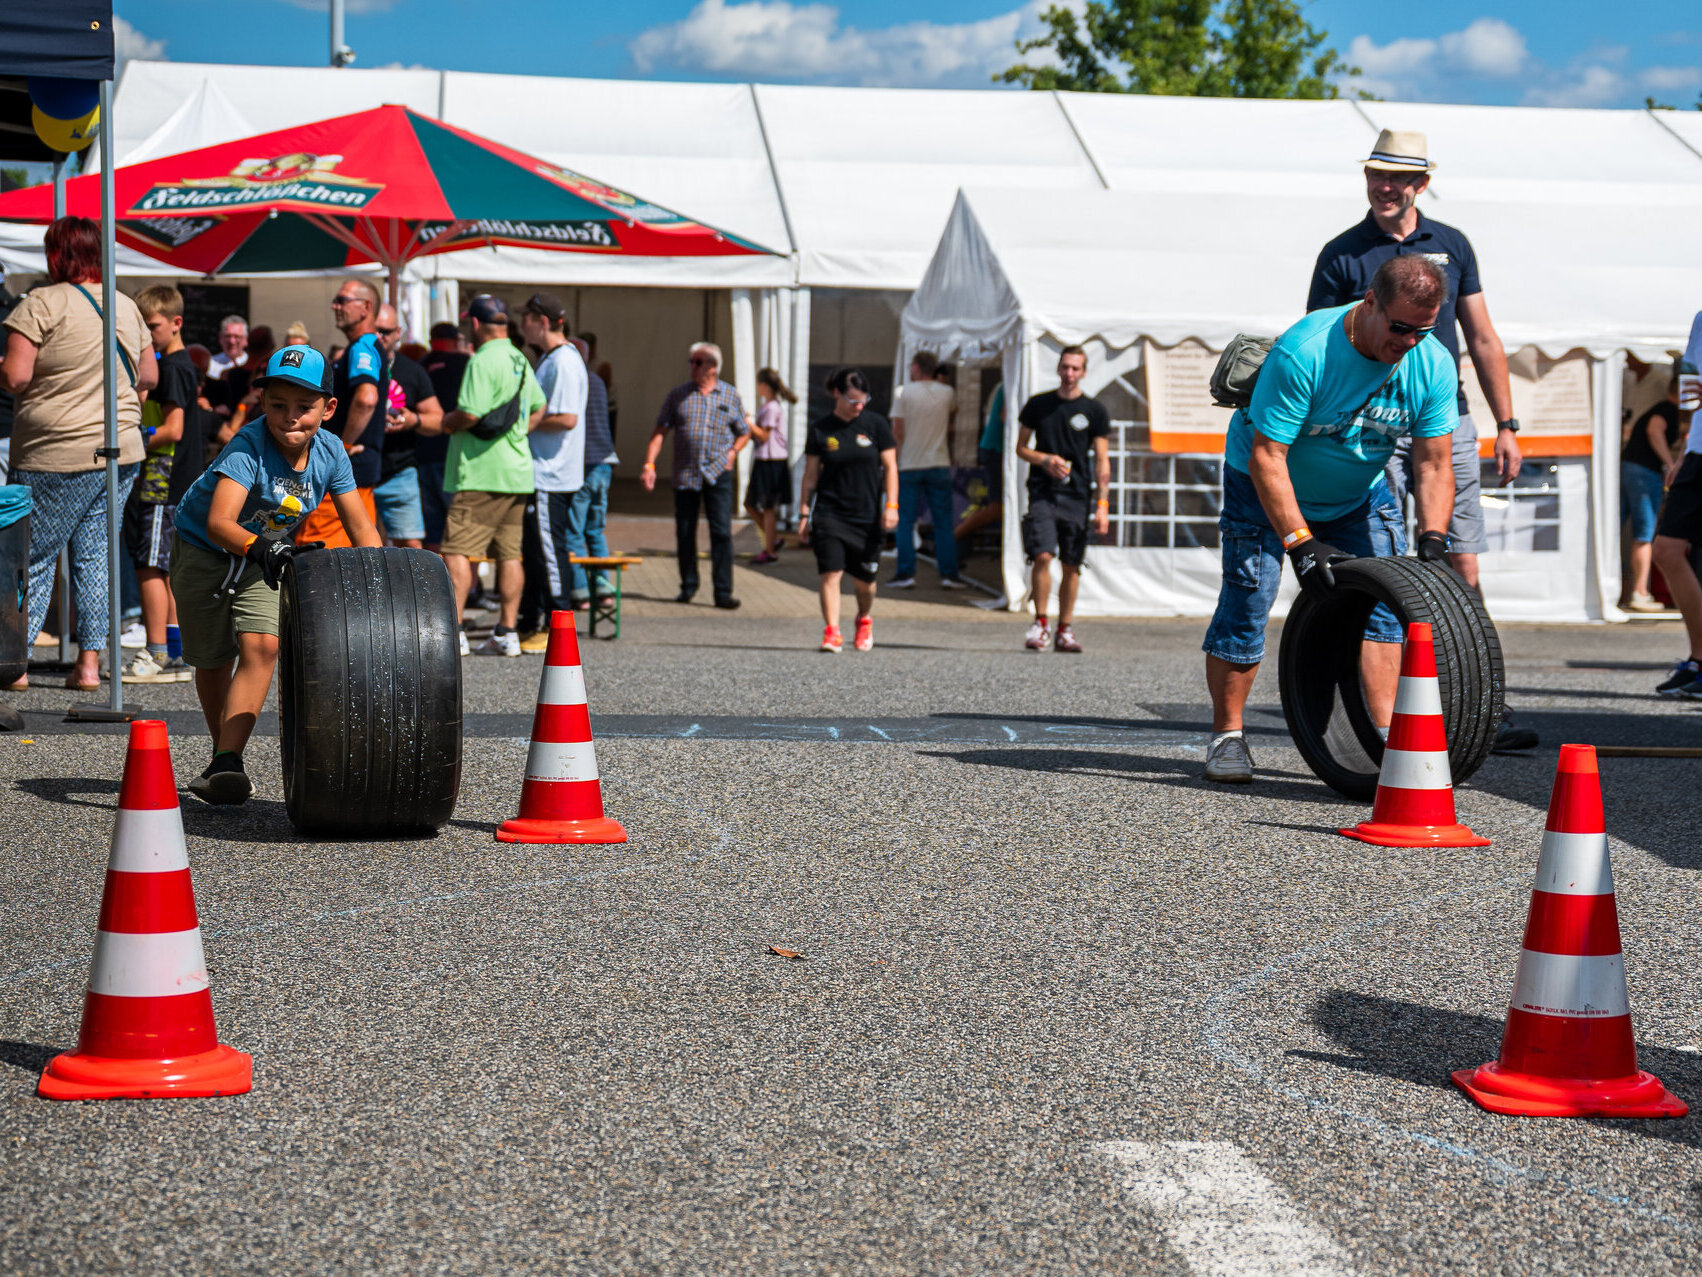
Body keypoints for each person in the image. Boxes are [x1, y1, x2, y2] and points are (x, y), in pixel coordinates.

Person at [1309, 128, 1536, 754]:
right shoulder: (1341, 252)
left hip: (1445, 416)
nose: (1385, 187)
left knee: (1458, 557)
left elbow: (1483, 338)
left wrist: (1506, 426)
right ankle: (1369, 709)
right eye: (1376, 175)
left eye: (1398, 178)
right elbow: (1317, 337)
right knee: (1375, 561)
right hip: (1366, 423)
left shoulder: (1452, 244)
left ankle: (1480, 698)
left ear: (1421, 184)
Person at [1203, 256, 1457, 783]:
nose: (1409, 341)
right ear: (1369, 303)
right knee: (1249, 600)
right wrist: (1299, 541)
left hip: (1357, 495)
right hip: (1261, 485)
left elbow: (1433, 462)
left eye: (1422, 330)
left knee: (1390, 607)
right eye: (1400, 327)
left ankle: (1383, 740)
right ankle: (1227, 737)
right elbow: (1267, 456)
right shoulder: (1305, 352)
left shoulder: (1431, 363)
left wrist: (1434, 535)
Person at [170, 345, 380, 804]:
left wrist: (382, 577)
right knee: (212, 660)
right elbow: (219, 522)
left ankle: (227, 760)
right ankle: (223, 755)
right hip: (204, 552)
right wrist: (264, 548)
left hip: (262, 560)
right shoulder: (248, 446)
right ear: (262, 402)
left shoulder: (331, 451)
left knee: (263, 645)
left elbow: (360, 524)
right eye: (278, 405)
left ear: (328, 409)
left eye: (304, 408)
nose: (290, 418)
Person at [1, 216, 154, 691]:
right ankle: (89, 665)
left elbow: (16, 378)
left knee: (36, 555)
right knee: (96, 556)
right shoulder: (126, 305)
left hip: (54, 450)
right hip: (120, 450)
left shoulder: (40, 303)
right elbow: (148, 376)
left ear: (56, 254)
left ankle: (17, 663)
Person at [440, 294, 544, 657]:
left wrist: (446, 423)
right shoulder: (519, 357)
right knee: (510, 555)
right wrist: (516, 435)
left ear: (476, 324)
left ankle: (455, 633)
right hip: (517, 472)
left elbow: (468, 413)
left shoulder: (482, 360)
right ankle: (507, 631)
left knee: (456, 552)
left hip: (480, 474)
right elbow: (539, 407)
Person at [123, 284, 205, 684]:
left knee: (150, 566)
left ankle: (157, 651)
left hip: (163, 485)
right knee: (163, 568)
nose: (146, 332)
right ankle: (173, 651)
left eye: (151, 325)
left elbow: (173, 429)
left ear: (175, 324)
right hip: (170, 483)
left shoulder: (172, 367)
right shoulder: (179, 364)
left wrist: (129, 438)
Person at [1015, 347, 1110, 654]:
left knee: (1071, 564)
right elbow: (1020, 447)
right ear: (1058, 369)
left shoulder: (1094, 410)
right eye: (1064, 367)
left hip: (1078, 495)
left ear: (1083, 372)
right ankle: (1040, 623)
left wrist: (1103, 505)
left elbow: (1102, 461)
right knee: (1042, 555)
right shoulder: (1039, 404)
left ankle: (1064, 629)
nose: (1069, 373)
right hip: (1043, 491)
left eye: (1075, 368)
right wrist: (1044, 459)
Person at [641, 342, 750, 610]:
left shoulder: (729, 395)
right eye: (691, 361)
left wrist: (734, 452)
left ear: (713, 367)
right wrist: (649, 464)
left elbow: (744, 431)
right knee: (686, 531)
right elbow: (660, 431)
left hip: (717, 473)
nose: (693, 366)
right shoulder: (678, 395)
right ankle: (688, 585)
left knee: (721, 532)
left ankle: (723, 592)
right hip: (686, 474)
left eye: (698, 362)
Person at [798, 368, 898, 653]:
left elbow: (890, 468)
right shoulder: (820, 429)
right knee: (831, 574)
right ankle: (832, 631)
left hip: (866, 516)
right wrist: (804, 513)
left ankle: (864, 618)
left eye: (863, 399)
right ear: (836, 395)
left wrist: (891, 505)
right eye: (853, 401)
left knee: (865, 582)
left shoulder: (876, 425)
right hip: (830, 513)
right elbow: (810, 475)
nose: (860, 406)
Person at [515, 292, 588, 636]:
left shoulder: (563, 361)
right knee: (536, 551)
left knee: (549, 551)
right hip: (543, 472)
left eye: (526, 318)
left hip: (550, 473)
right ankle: (533, 618)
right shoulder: (552, 358)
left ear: (542, 322)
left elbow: (567, 417)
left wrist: (523, 423)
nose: (521, 325)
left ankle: (559, 622)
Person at [296, 278, 386, 549]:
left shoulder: (363, 347)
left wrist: (341, 446)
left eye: (343, 300)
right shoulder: (364, 347)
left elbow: (367, 399)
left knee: (315, 553)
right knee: (355, 557)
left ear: (366, 307)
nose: (335, 306)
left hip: (348, 472)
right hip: (359, 471)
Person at [1652, 317, 1702, 698]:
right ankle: (1699, 661)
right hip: (1699, 452)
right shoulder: (1701, 320)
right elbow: (1689, 393)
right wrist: (1684, 451)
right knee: (1667, 549)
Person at [889, 350, 964, 590]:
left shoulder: (903, 392)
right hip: (939, 462)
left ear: (917, 368)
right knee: (943, 522)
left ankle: (905, 573)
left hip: (910, 463)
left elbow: (897, 431)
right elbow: (952, 414)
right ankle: (949, 575)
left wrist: (894, 460)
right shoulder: (947, 392)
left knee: (906, 521)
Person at [372, 302, 442, 549]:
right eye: (373, 330)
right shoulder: (351, 365)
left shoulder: (412, 371)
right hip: (358, 470)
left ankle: (414, 590)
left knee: (411, 548)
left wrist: (414, 420)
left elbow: (438, 419)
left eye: (385, 331)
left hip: (399, 470)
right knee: (361, 547)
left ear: (398, 332)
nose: (379, 337)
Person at [1620, 369, 1683, 613]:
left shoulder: (1661, 408)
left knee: (1625, 529)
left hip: (1630, 467)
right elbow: (1654, 430)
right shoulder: (1667, 410)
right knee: (1645, 533)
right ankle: (1640, 591)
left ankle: (1627, 590)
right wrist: (1670, 463)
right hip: (1644, 472)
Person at [565, 334, 618, 618]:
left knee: (573, 530)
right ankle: (604, 589)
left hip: (583, 462)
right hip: (604, 461)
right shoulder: (596, 380)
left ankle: (581, 592)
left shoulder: (575, 380)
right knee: (595, 529)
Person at [418, 320, 469, 552]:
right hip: (455, 453)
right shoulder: (465, 363)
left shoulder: (421, 365)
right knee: (459, 525)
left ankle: (435, 584)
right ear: (455, 341)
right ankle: (471, 587)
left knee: (433, 528)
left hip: (422, 451)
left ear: (431, 340)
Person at [745, 366, 796, 565]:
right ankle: (771, 540)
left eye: (759, 384)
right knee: (753, 505)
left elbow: (764, 436)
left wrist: (748, 423)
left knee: (767, 507)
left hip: (772, 462)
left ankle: (770, 548)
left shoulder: (772, 408)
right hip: (766, 460)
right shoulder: (768, 407)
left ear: (764, 386)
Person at [207, 314, 248, 380]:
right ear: (220, 338)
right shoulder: (210, 365)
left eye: (237, 336)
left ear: (246, 339)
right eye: (228, 336)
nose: (232, 341)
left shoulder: (251, 364)